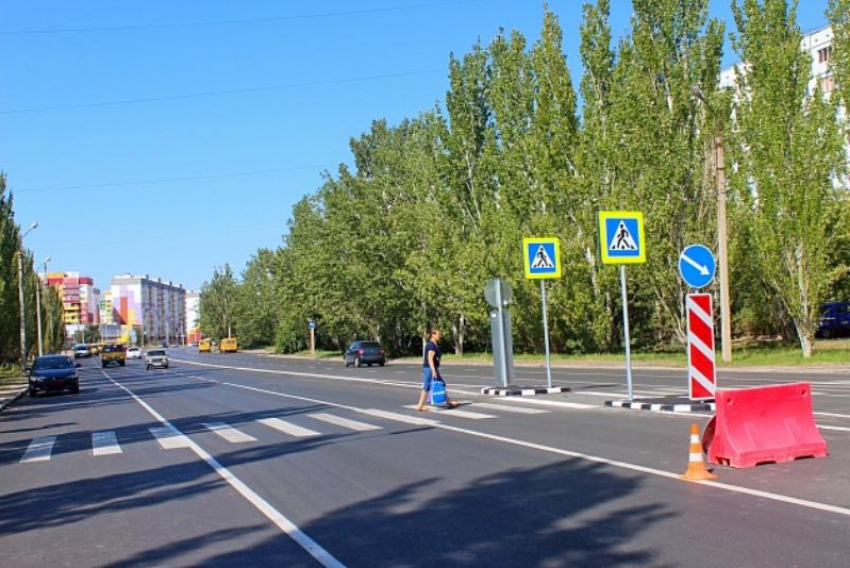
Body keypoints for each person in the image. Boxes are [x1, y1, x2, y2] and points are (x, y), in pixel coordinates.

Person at [416, 327, 458, 411]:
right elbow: (430, 358)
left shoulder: (434, 344)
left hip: (431, 368)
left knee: (441, 384)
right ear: (433, 334)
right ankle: (420, 406)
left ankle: (449, 402)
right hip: (430, 369)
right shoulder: (431, 345)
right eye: (438, 334)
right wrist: (433, 370)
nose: (440, 336)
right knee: (426, 386)